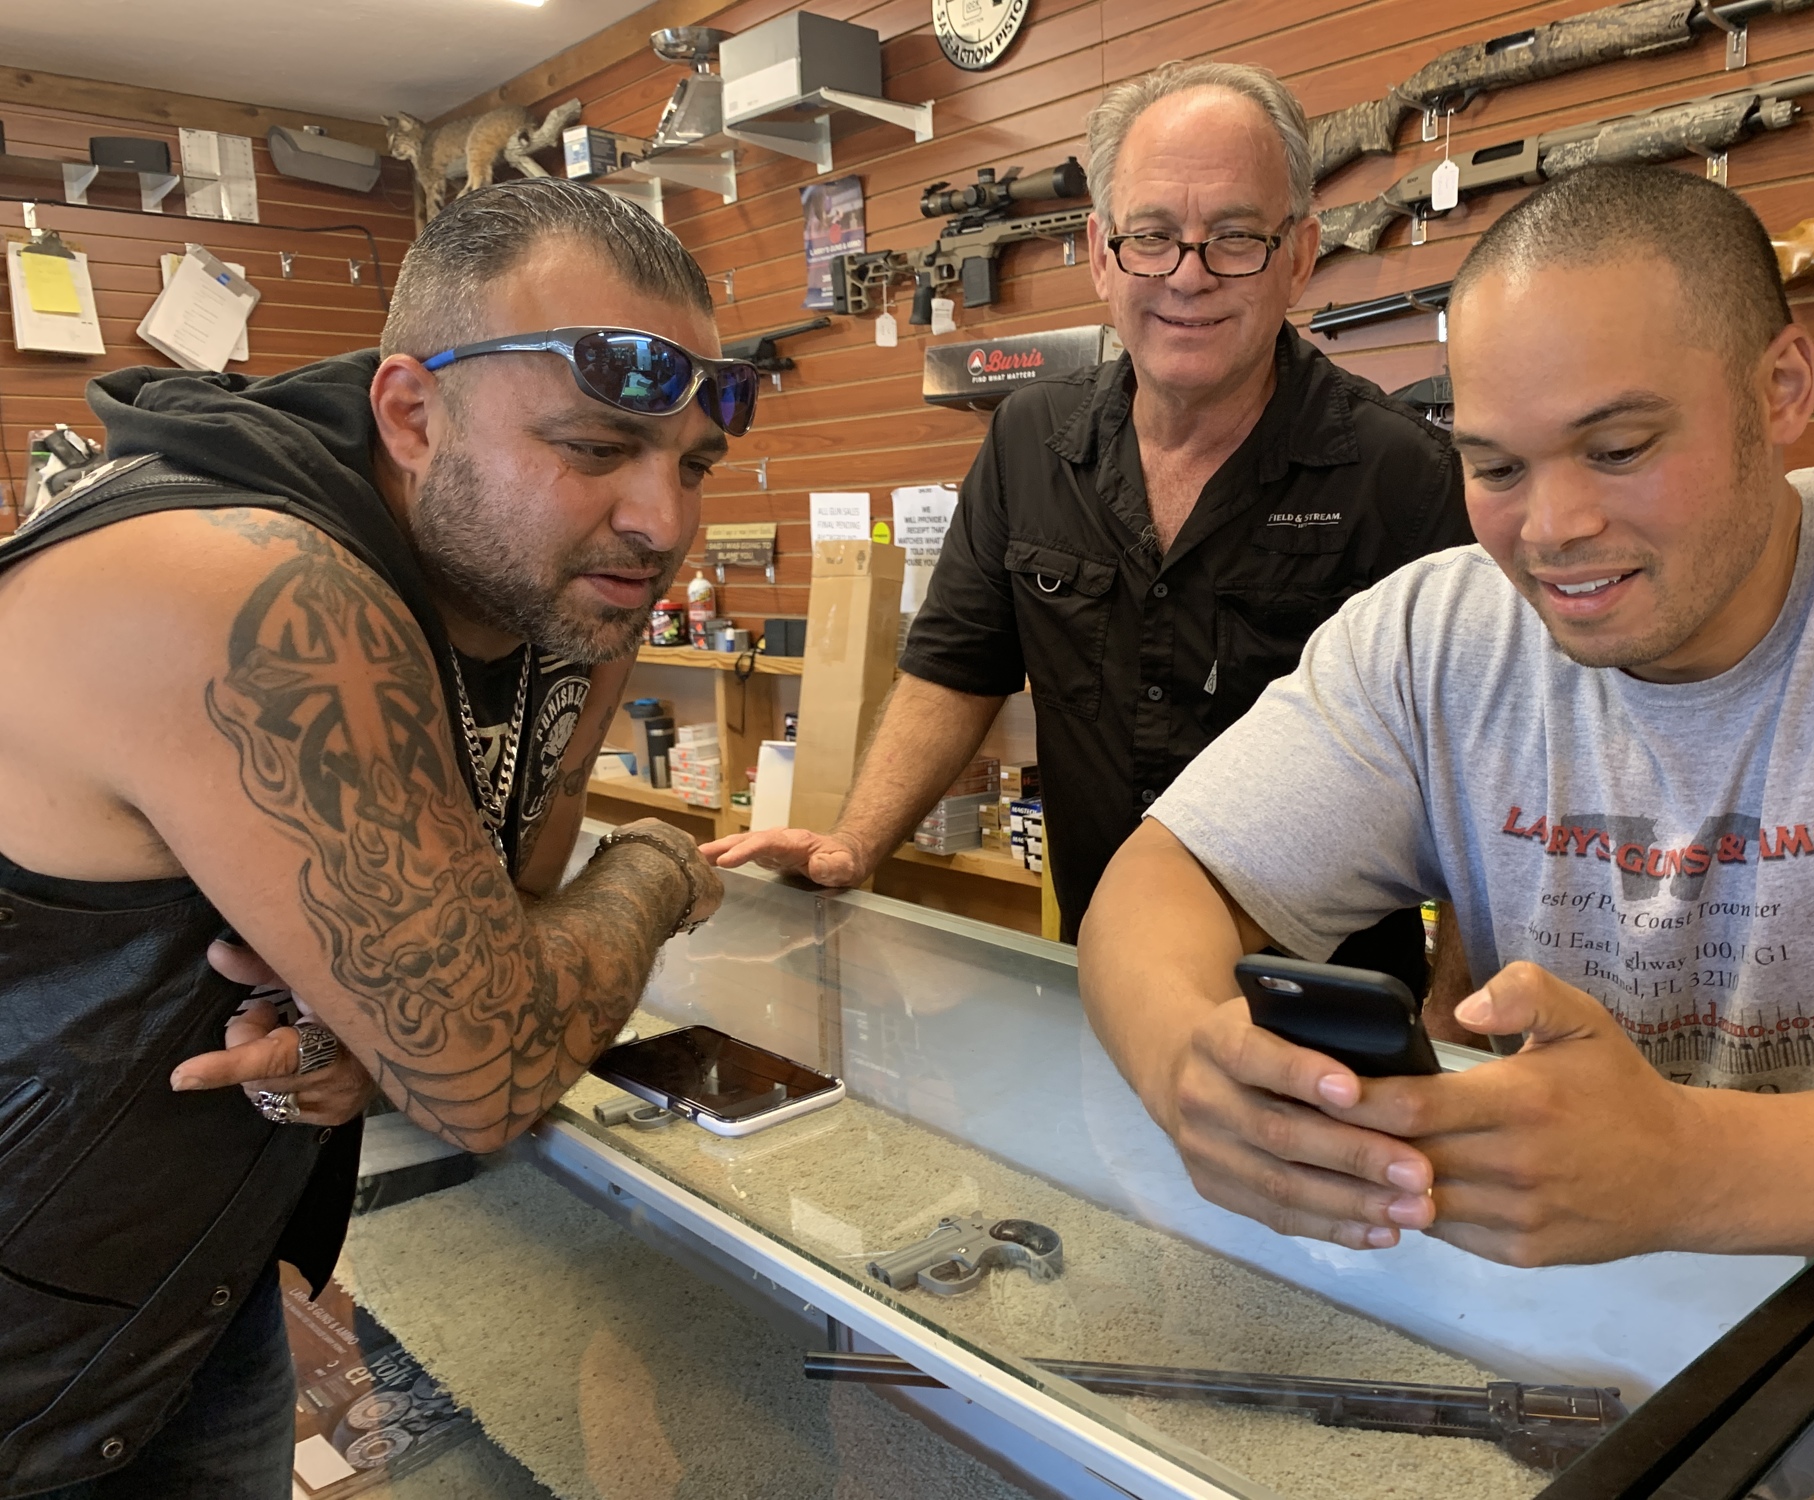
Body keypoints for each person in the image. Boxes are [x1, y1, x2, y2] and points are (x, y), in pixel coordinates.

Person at [1077, 163, 1814, 1270]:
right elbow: (1157, 886)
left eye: (1617, 450)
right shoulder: (1431, 637)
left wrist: (1687, 1168)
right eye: (1495, 466)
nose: (1551, 529)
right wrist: (1192, 1071)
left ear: (1782, 389)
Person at [0, 178, 739, 1497]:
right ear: (410, 410)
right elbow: (492, 1069)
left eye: (690, 464)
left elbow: (496, 919)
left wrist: (376, 1019)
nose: (662, 521)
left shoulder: (554, 583)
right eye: (591, 448)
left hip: (179, 1303)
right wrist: (661, 867)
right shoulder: (243, 588)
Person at [706, 62, 1469, 985]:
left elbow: (1471, 776)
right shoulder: (1027, 440)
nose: (1188, 276)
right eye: (1153, 236)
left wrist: (1453, 1026)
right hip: (1096, 986)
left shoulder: (1406, 478)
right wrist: (854, 843)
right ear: (1103, 254)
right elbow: (953, 671)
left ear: (1301, 254)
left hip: (1328, 1014)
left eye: (1235, 237)